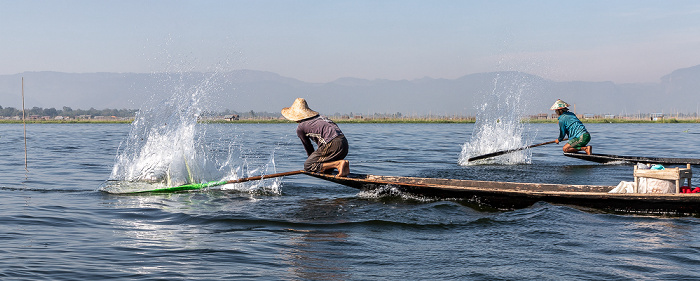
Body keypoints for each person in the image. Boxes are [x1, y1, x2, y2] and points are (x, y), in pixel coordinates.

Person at [281, 98, 350, 176]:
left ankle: (338, 164)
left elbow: (308, 148)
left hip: (332, 144)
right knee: (325, 170)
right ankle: (344, 167)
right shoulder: (320, 117)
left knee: (308, 166)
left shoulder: (300, 128)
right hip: (344, 143)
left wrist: (312, 164)